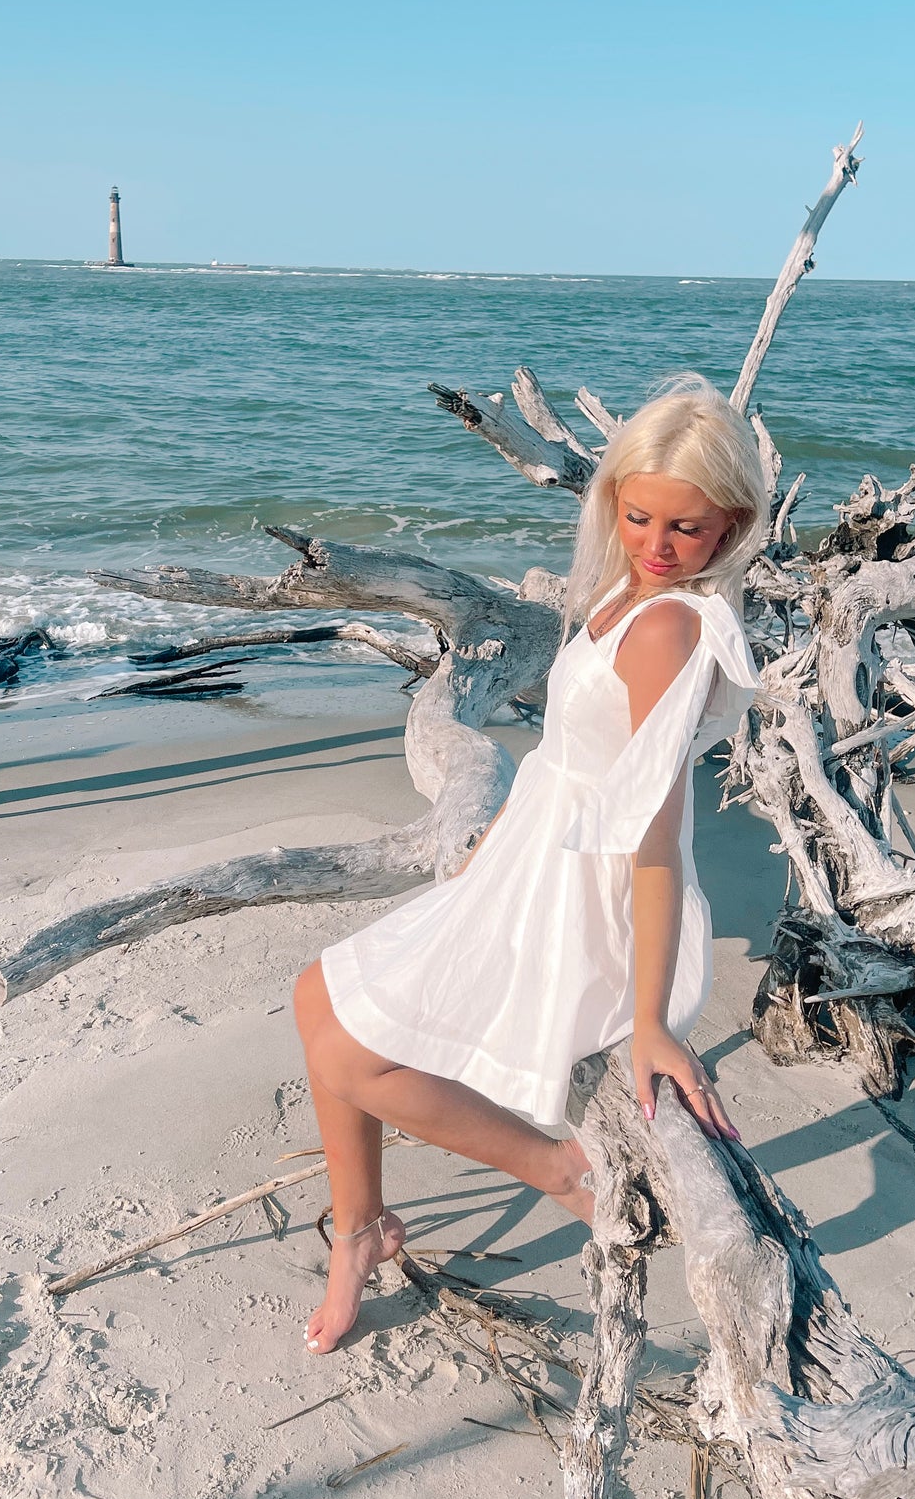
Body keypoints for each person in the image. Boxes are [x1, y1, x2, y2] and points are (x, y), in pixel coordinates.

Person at [293, 373, 766, 1354]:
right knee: (315, 996)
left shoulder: (671, 626)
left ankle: (561, 1172)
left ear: (727, 526)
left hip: (581, 899)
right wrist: (490, 856)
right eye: (636, 514)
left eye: (684, 528)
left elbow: (651, 827)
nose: (655, 543)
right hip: (530, 856)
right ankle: (362, 1231)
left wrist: (647, 1020)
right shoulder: (628, 590)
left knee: (347, 1045)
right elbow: (568, 761)